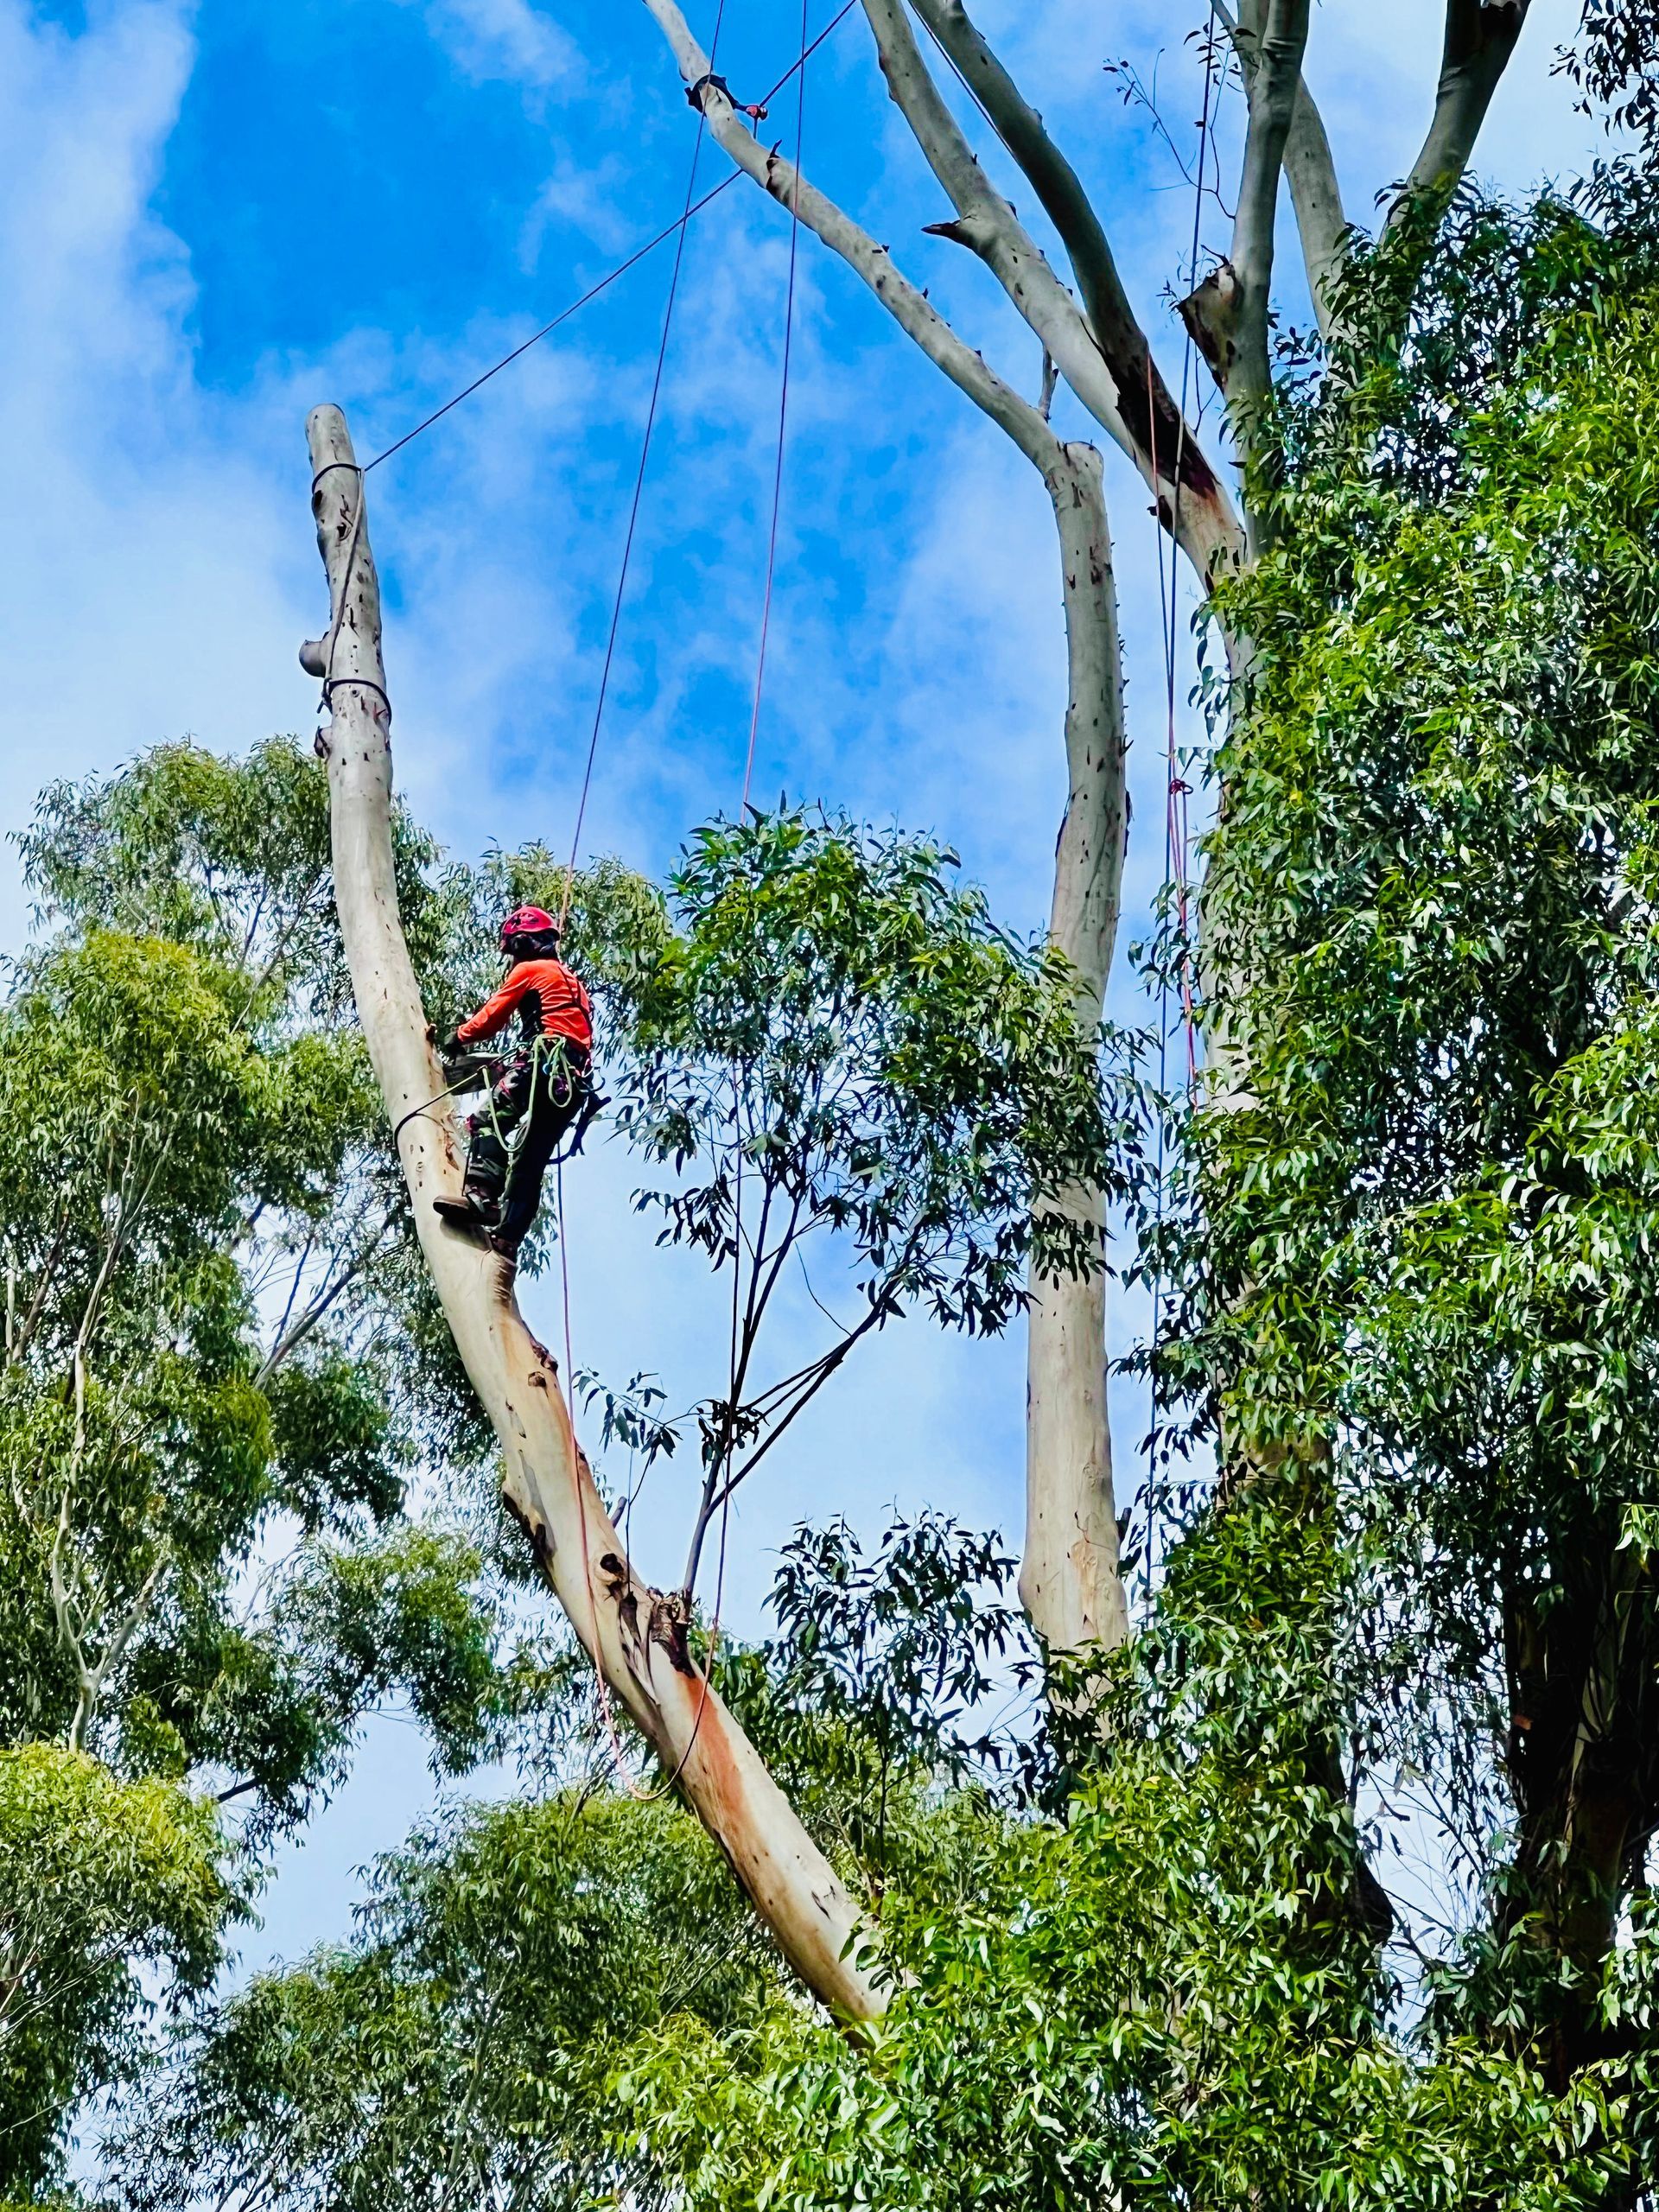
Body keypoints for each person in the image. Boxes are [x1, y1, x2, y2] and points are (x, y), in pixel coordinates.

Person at [432, 905, 594, 1254]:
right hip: (571, 1083)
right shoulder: (575, 984)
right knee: (529, 1160)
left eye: (514, 949)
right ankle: (508, 1238)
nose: (512, 960)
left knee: (484, 1120)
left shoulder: (531, 970)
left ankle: (480, 1199)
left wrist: (458, 1037)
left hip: (544, 1065)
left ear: (524, 943)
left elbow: (492, 1017)